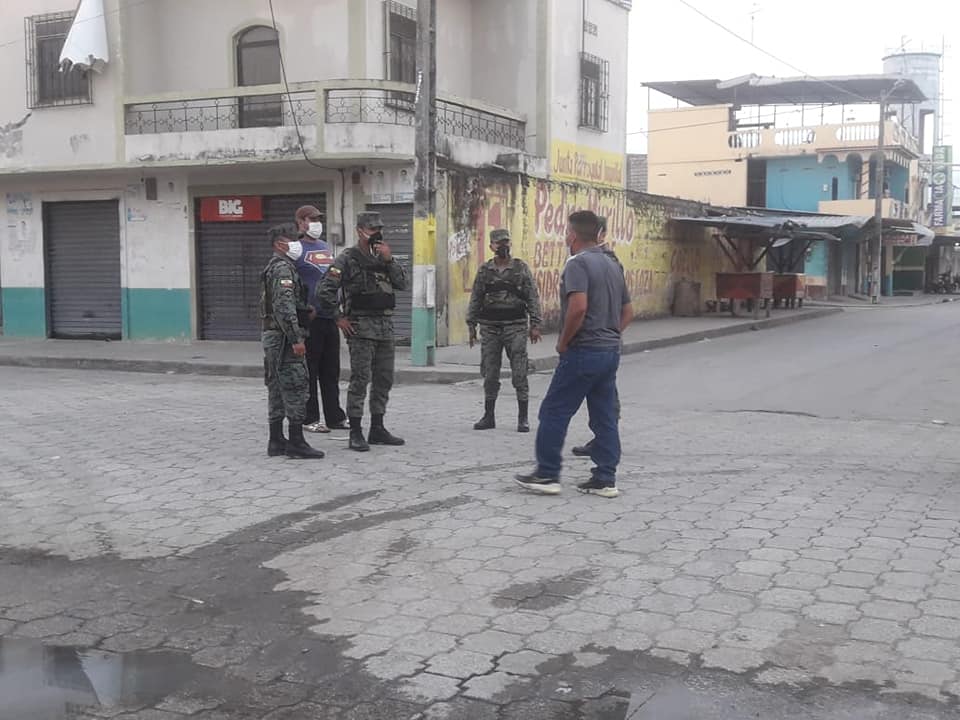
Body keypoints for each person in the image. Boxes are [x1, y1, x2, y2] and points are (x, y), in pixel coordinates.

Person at [515, 210, 633, 498]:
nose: (565, 237)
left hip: (583, 350)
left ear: (572, 235)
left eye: (566, 233)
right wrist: (610, 334)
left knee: (554, 411)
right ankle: (605, 478)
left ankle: (547, 474)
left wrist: (563, 342)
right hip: (609, 351)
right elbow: (628, 311)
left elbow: (578, 307)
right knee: (604, 416)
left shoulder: (577, 264)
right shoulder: (612, 264)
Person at [315, 212, 407, 452]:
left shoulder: (385, 258)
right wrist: (338, 318)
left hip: (385, 327)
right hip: (361, 328)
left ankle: (377, 427)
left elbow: (402, 283)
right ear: (360, 231)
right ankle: (355, 431)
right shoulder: (347, 259)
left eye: (379, 229)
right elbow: (324, 290)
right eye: (372, 229)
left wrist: (389, 260)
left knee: (384, 379)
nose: (377, 233)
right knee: (360, 380)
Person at [467, 228, 543, 433]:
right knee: (490, 372)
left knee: (519, 371)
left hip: (515, 326)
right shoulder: (485, 271)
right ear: (491, 246)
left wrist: (535, 324)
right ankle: (488, 416)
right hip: (490, 327)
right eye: (499, 243)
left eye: (506, 242)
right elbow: (476, 297)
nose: (503, 246)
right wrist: (471, 325)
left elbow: (532, 296)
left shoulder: (520, 268)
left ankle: (523, 418)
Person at [260, 223, 325, 460]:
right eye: (294, 240)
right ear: (280, 244)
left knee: (277, 387)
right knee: (296, 385)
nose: (298, 244)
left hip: (274, 335)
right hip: (284, 338)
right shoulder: (283, 269)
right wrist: (296, 338)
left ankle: (276, 440)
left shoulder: (275, 266)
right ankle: (296, 441)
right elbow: (284, 307)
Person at [289, 205, 348, 434]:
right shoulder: (295, 249)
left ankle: (335, 417)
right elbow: (289, 282)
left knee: (331, 371)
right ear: (301, 222)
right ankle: (309, 418)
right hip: (310, 319)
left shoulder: (325, 247)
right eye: (312, 219)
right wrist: (301, 311)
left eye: (318, 219)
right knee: (309, 371)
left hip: (329, 316)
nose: (316, 223)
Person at [571, 216, 624, 457]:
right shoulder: (592, 260)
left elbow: (622, 307)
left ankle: (605, 441)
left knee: (603, 396)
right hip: (603, 340)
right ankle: (604, 441)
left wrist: (609, 333)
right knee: (601, 394)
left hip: (597, 341)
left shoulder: (607, 261)